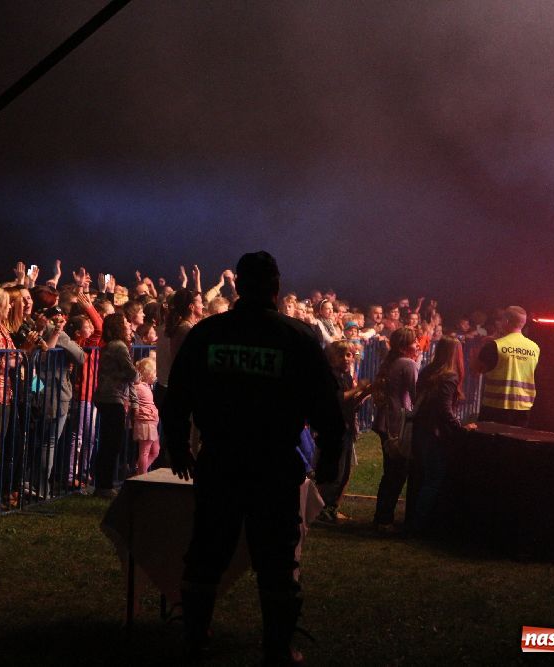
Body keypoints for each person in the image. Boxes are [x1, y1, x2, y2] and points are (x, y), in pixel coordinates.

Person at [163, 251, 344, 664]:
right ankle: (277, 647)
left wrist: (179, 445)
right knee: (277, 558)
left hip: (221, 459)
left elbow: (179, 396)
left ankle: (195, 637)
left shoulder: (209, 333)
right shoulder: (296, 337)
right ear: (276, 288)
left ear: (239, 287)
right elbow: (326, 405)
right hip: (273, 463)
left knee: (207, 550)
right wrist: (330, 455)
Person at [408, 336, 467, 535]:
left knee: (420, 474)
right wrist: (460, 427)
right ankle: (420, 525)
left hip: (420, 428)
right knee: (433, 478)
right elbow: (444, 408)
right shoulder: (449, 375)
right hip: (434, 432)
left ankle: (412, 520)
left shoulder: (428, 371)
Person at [316, 340, 371, 524]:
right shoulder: (329, 375)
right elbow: (337, 399)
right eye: (344, 355)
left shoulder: (345, 375)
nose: (348, 359)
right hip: (332, 429)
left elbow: (350, 402)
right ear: (333, 357)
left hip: (345, 428)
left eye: (350, 355)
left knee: (344, 471)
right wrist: (360, 388)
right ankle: (321, 509)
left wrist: (365, 393)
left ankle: (332, 508)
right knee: (333, 471)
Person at [371, 327, 419, 531]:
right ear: (404, 346)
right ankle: (384, 519)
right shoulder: (407, 364)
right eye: (415, 342)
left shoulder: (390, 362)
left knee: (390, 471)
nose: (418, 345)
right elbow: (416, 393)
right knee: (396, 473)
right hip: (396, 423)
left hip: (385, 420)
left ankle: (382, 516)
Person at [91, 313, 138, 497]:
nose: (129, 324)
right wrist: (137, 374)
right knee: (111, 443)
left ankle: (104, 484)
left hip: (108, 396)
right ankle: (104, 485)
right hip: (112, 397)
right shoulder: (118, 347)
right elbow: (131, 373)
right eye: (126, 322)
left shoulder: (114, 346)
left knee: (109, 442)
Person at [475, 306, 540, 427]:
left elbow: (476, 369)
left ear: (506, 321)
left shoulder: (495, 345)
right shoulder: (534, 347)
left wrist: (482, 344)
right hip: (523, 408)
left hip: (496, 406)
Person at [131, 357, 160, 476]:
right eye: (154, 373)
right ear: (147, 374)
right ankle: (141, 476)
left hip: (152, 423)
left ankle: (139, 472)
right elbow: (131, 402)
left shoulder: (147, 386)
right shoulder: (138, 387)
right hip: (145, 423)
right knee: (145, 452)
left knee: (155, 451)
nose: (155, 376)